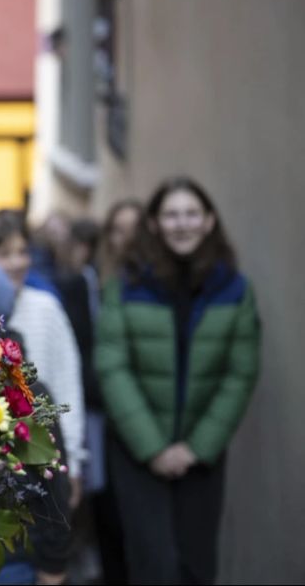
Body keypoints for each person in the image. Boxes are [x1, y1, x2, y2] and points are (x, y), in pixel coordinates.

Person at [96, 177, 260, 584]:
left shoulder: (235, 290)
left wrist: (196, 446)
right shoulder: (126, 286)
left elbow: (240, 372)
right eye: (171, 214)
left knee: (196, 567)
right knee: (154, 566)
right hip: (138, 453)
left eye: (191, 214)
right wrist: (154, 447)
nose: (181, 223)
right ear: (153, 224)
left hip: (200, 453)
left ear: (208, 222)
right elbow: (112, 365)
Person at [0, 263, 72, 586]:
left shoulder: (25, 392)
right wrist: (55, 563)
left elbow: (52, 487)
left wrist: (53, 564)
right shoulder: (30, 388)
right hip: (13, 552)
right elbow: (54, 487)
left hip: (7, 560)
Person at [0, 210, 86, 511]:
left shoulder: (46, 308)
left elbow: (67, 386)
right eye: (4, 254)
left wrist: (71, 461)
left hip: (46, 454)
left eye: (22, 252)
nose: (16, 263)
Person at [97, 199, 143, 284]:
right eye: (120, 230)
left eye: (133, 230)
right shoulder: (105, 273)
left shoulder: (154, 277)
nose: (128, 239)